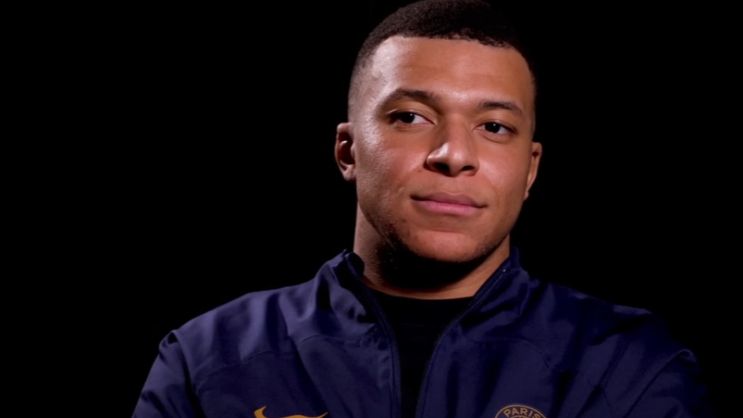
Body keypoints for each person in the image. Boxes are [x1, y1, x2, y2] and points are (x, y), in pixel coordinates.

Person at [134, 1, 713, 417]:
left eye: (494, 127)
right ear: (348, 151)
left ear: (530, 169)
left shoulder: (629, 367)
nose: (453, 155)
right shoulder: (207, 360)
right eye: (411, 117)